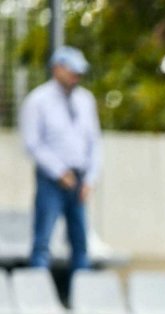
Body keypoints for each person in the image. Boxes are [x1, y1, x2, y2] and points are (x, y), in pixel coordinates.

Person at [19, 45, 102, 271]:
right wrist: (59, 172)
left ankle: (83, 289)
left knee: (80, 242)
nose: (76, 76)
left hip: (80, 180)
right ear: (57, 69)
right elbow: (32, 143)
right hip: (51, 181)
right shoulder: (37, 101)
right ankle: (37, 287)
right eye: (72, 70)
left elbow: (94, 142)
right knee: (43, 241)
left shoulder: (85, 100)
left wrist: (90, 179)